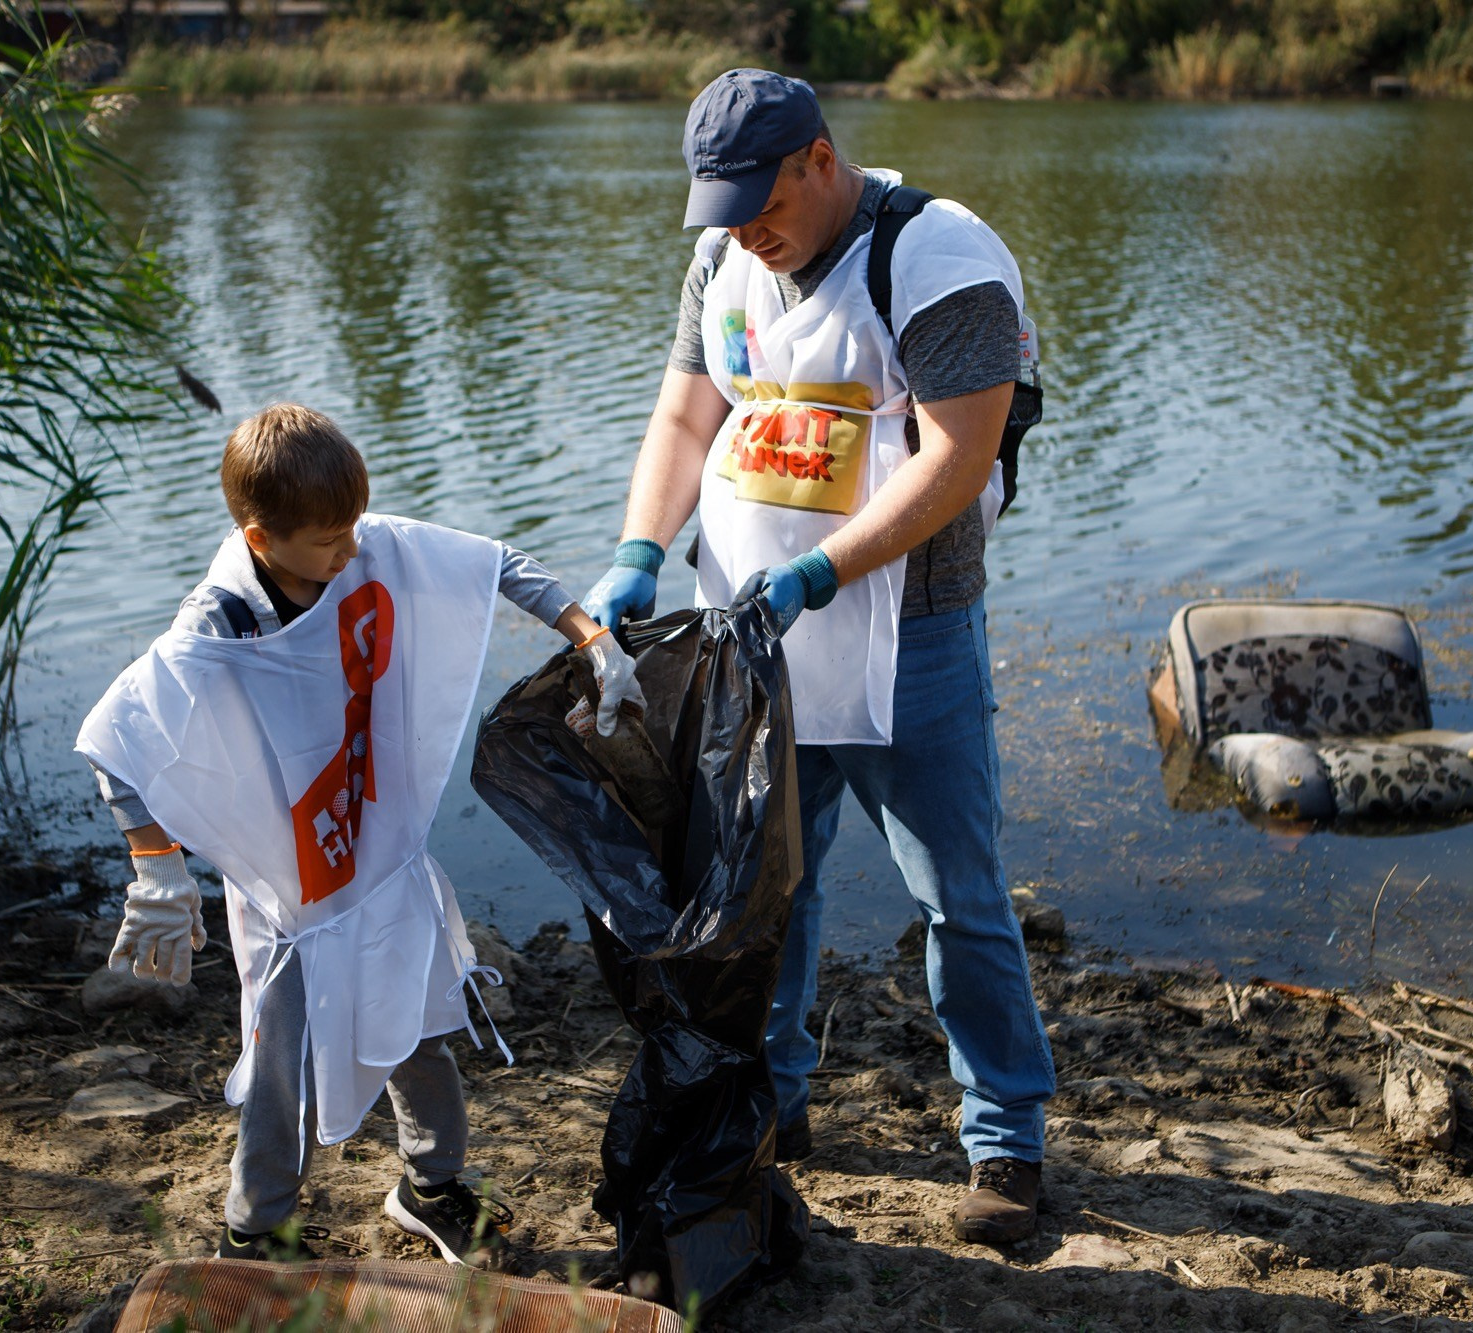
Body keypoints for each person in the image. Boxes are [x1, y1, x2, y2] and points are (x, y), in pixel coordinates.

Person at [582, 69, 1056, 1245]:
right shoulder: (723, 258)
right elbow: (687, 414)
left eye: (761, 197)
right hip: (755, 636)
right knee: (764, 890)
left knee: (958, 896)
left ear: (820, 157)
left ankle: (1004, 1139)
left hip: (911, 631)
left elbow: (954, 460)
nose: (747, 226)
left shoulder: (939, 256)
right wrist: (640, 548)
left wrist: (819, 572)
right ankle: (773, 1101)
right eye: (723, 204)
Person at [79, 403, 643, 1269]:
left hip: (376, 857)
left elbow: (499, 564)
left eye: (353, 530)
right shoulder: (219, 619)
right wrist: (157, 866)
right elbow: (118, 736)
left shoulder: (354, 539)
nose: (351, 553)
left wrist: (592, 639)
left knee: (419, 1029)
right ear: (263, 540)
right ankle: (256, 1228)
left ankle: (431, 1187)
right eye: (327, 542)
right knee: (283, 1067)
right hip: (289, 889)